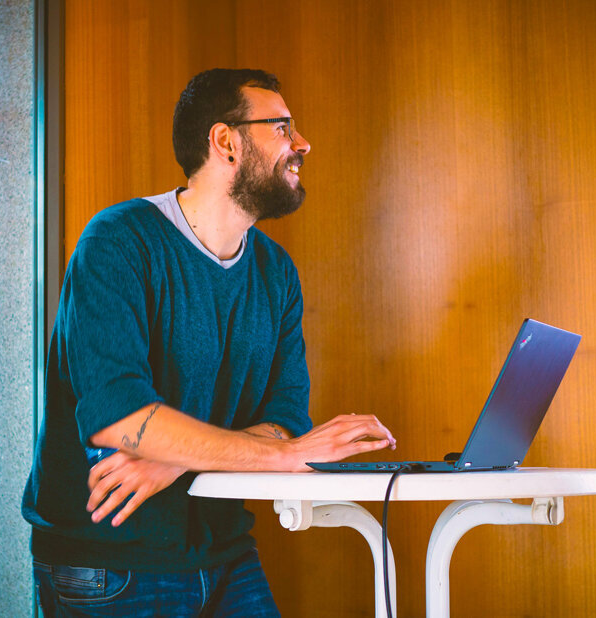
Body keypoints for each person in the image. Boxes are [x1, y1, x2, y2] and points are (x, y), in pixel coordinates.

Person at [22, 68, 396, 617]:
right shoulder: (118, 241)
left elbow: (286, 417)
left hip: (223, 551)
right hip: (110, 563)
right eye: (283, 127)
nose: (302, 143)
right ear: (226, 142)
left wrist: (177, 462)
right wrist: (285, 456)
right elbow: (119, 419)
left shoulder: (275, 271)